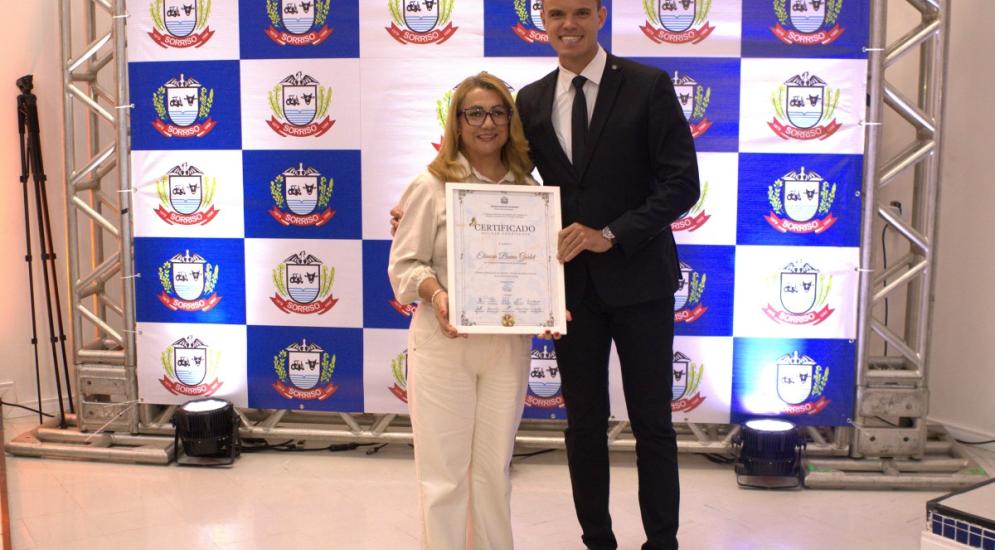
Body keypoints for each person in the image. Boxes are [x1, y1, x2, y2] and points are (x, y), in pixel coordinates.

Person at [514, 1, 700, 549]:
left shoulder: (647, 86)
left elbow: (681, 184)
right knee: (584, 425)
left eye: (579, 12)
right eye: (555, 14)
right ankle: (597, 540)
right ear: (542, 21)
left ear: (600, 15)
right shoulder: (530, 100)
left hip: (641, 283)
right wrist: (429, 203)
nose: (567, 25)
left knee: (652, 423)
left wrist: (611, 233)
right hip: (571, 290)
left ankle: (662, 542)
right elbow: (503, 185)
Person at [387, 72, 537, 550]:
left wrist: (549, 305)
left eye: (497, 112)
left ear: (510, 120)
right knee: (444, 477)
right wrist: (436, 294)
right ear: (456, 122)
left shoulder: (529, 187)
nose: (487, 123)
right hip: (443, 343)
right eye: (475, 113)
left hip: (507, 346)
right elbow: (405, 265)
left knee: (494, 471)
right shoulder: (431, 184)